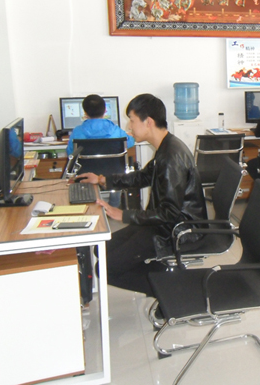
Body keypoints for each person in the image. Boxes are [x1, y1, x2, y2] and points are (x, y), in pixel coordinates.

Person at [76, 94, 207, 296]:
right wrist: (102, 179)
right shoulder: (166, 146)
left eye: (132, 120)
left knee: (105, 267)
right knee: (101, 249)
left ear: (149, 122)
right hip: (162, 224)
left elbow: (169, 213)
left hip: (177, 230)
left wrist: (124, 215)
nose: (129, 126)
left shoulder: (170, 157)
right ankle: (165, 276)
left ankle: (171, 291)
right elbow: (143, 177)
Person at [66, 94, 135, 156]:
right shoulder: (116, 131)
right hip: (113, 166)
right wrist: (130, 136)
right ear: (105, 110)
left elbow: (70, 153)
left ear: (85, 113)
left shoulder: (77, 131)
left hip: (84, 167)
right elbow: (130, 143)